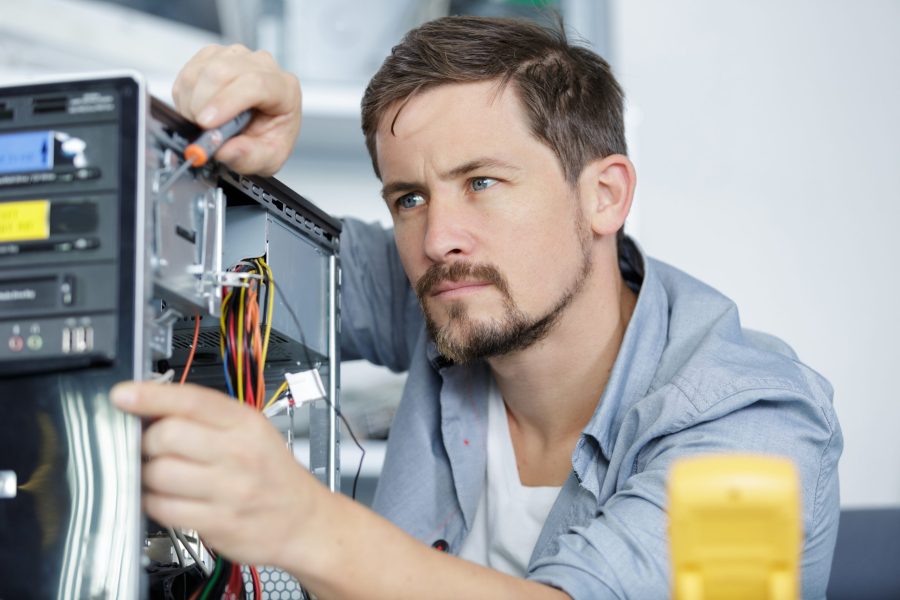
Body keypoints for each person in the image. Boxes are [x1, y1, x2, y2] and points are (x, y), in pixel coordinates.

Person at [112, 16, 842, 599]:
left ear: (605, 195)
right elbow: (228, 267)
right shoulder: (456, 295)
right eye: (410, 197)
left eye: (483, 182)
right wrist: (227, 138)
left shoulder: (754, 418)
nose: (438, 238)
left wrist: (304, 525)